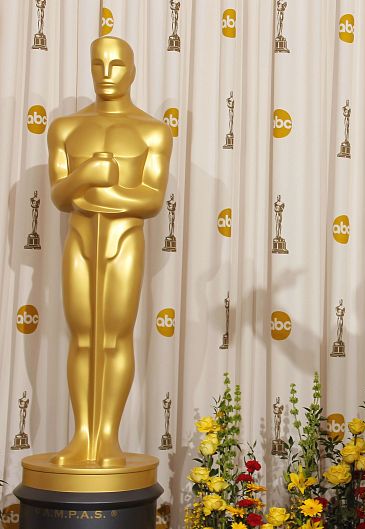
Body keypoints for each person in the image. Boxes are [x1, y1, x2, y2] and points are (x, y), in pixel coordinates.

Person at [48, 36, 171, 467]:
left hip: (123, 240)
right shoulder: (65, 127)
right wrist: (87, 173)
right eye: (98, 63)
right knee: (82, 337)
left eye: (117, 64)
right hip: (80, 238)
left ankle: (108, 437)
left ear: (133, 70)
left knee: (115, 336)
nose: (106, 72)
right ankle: (82, 435)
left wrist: (105, 191)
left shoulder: (152, 130)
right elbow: (60, 196)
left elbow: (152, 201)